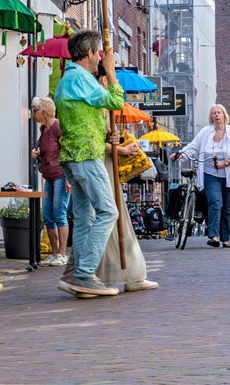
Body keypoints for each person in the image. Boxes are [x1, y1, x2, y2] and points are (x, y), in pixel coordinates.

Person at [58, 64, 158, 295]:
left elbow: (93, 131)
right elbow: (109, 107)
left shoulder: (84, 94)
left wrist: (111, 137)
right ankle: (85, 274)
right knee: (108, 215)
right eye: (110, 80)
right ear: (103, 80)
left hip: (92, 160)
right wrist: (120, 150)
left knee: (92, 216)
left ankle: (82, 275)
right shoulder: (92, 93)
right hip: (93, 161)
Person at [53, 30, 124, 297]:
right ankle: (84, 274)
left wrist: (106, 133)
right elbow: (116, 100)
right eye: (99, 55)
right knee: (109, 212)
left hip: (74, 155)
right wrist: (111, 71)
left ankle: (73, 275)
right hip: (85, 156)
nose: (100, 60)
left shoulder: (69, 78)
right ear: (91, 53)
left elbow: (83, 117)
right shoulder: (81, 78)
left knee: (85, 217)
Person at [180, 104, 230, 248]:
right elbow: (194, 146)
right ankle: (214, 236)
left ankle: (225, 238)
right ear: (211, 117)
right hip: (210, 173)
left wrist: (225, 163)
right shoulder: (205, 132)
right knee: (216, 202)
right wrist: (181, 155)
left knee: (227, 207)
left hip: (229, 174)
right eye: (214, 113)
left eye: (219, 113)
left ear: (224, 116)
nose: (216, 115)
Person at [31, 96, 69, 267]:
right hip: (49, 177)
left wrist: (69, 177)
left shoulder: (57, 127)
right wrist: (37, 154)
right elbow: (46, 152)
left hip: (61, 176)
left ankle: (62, 254)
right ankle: (54, 253)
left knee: (59, 213)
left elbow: (67, 150)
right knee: (47, 215)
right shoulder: (43, 130)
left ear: (43, 112)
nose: (33, 114)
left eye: (35, 110)